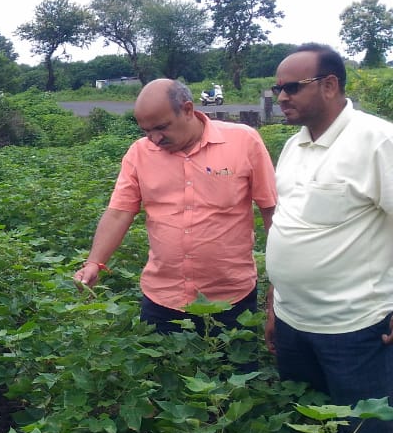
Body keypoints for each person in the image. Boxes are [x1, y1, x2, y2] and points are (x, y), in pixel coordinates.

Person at [266, 43, 393, 433]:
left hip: (355, 329)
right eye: (277, 89)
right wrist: (274, 302)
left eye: (291, 87)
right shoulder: (294, 146)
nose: (282, 97)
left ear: (330, 85)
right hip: (293, 325)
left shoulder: (377, 141)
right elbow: (289, 228)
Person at [73, 79, 277, 334]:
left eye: (162, 127)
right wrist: (95, 262)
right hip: (162, 299)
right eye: (146, 131)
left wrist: (279, 280)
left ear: (188, 109)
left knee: (233, 359)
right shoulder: (139, 153)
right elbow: (118, 212)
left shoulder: (243, 141)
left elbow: (271, 211)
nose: (155, 138)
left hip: (231, 298)